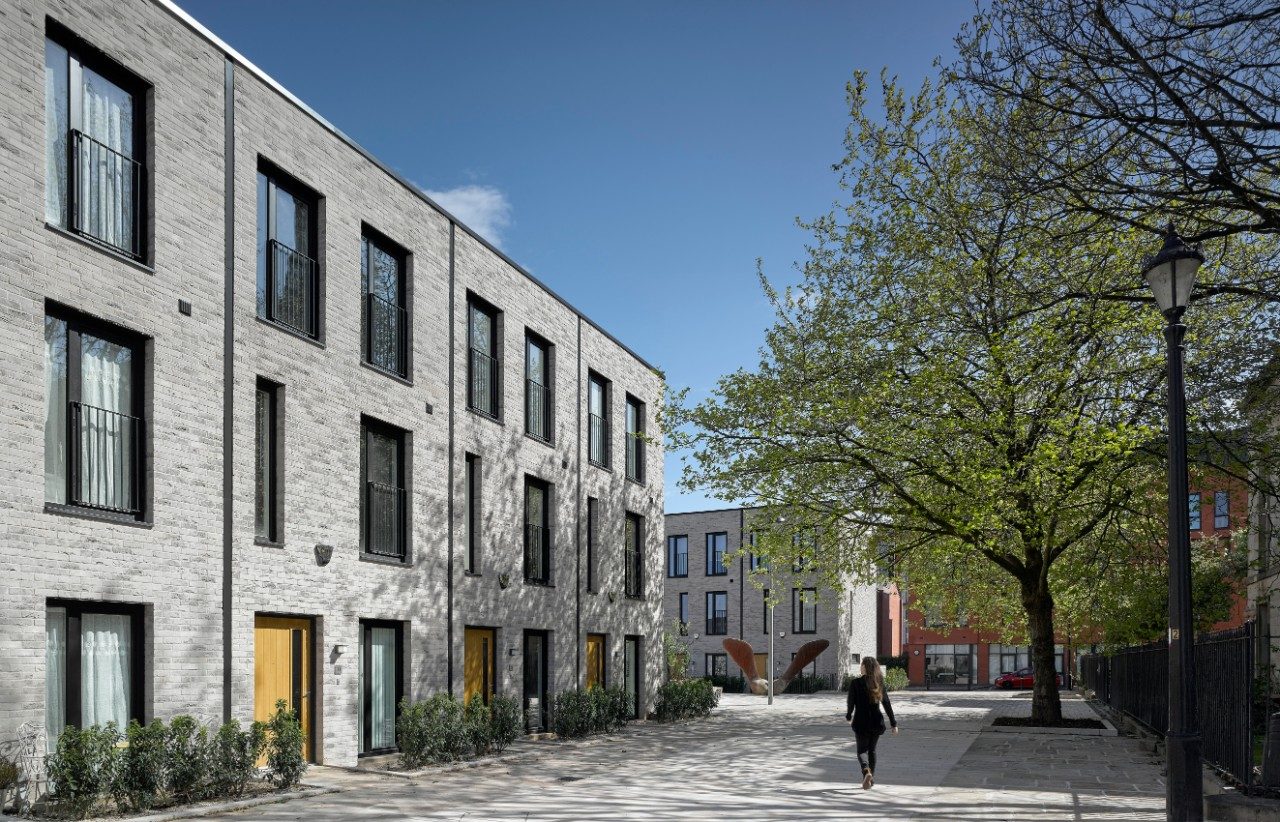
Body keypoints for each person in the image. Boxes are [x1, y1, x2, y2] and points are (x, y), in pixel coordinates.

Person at [844, 656, 898, 790]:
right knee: (872, 750)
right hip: (876, 722)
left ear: (865, 667)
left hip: (861, 722)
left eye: (861, 665)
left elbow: (851, 702)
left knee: (862, 751)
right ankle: (870, 778)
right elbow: (886, 704)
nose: (860, 667)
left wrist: (849, 715)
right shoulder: (878, 682)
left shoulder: (855, 683)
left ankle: (866, 771)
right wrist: (893, 723)